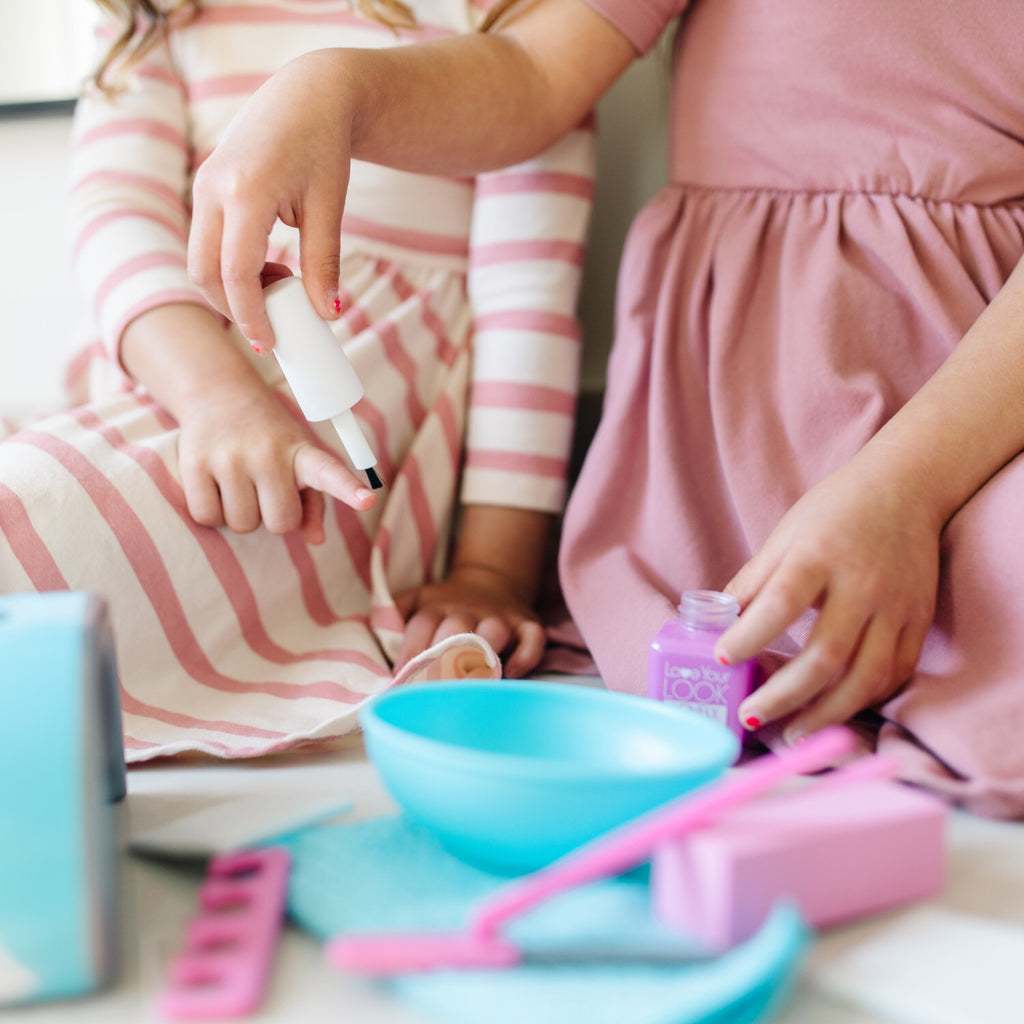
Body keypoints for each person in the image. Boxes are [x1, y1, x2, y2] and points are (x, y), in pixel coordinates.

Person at [187, 0, 1024, 816]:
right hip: (727, 451)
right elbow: (530, 76)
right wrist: (335, 89)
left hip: (978, 421)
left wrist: (905, 490)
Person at [0, 0, 595, 760]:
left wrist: (492, 568)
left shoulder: (505, 22)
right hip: (182, 369)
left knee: (32, 522)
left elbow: (527, 302)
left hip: (361, 403)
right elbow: (118, 214)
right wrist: (216, 396)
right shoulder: (157, 14)